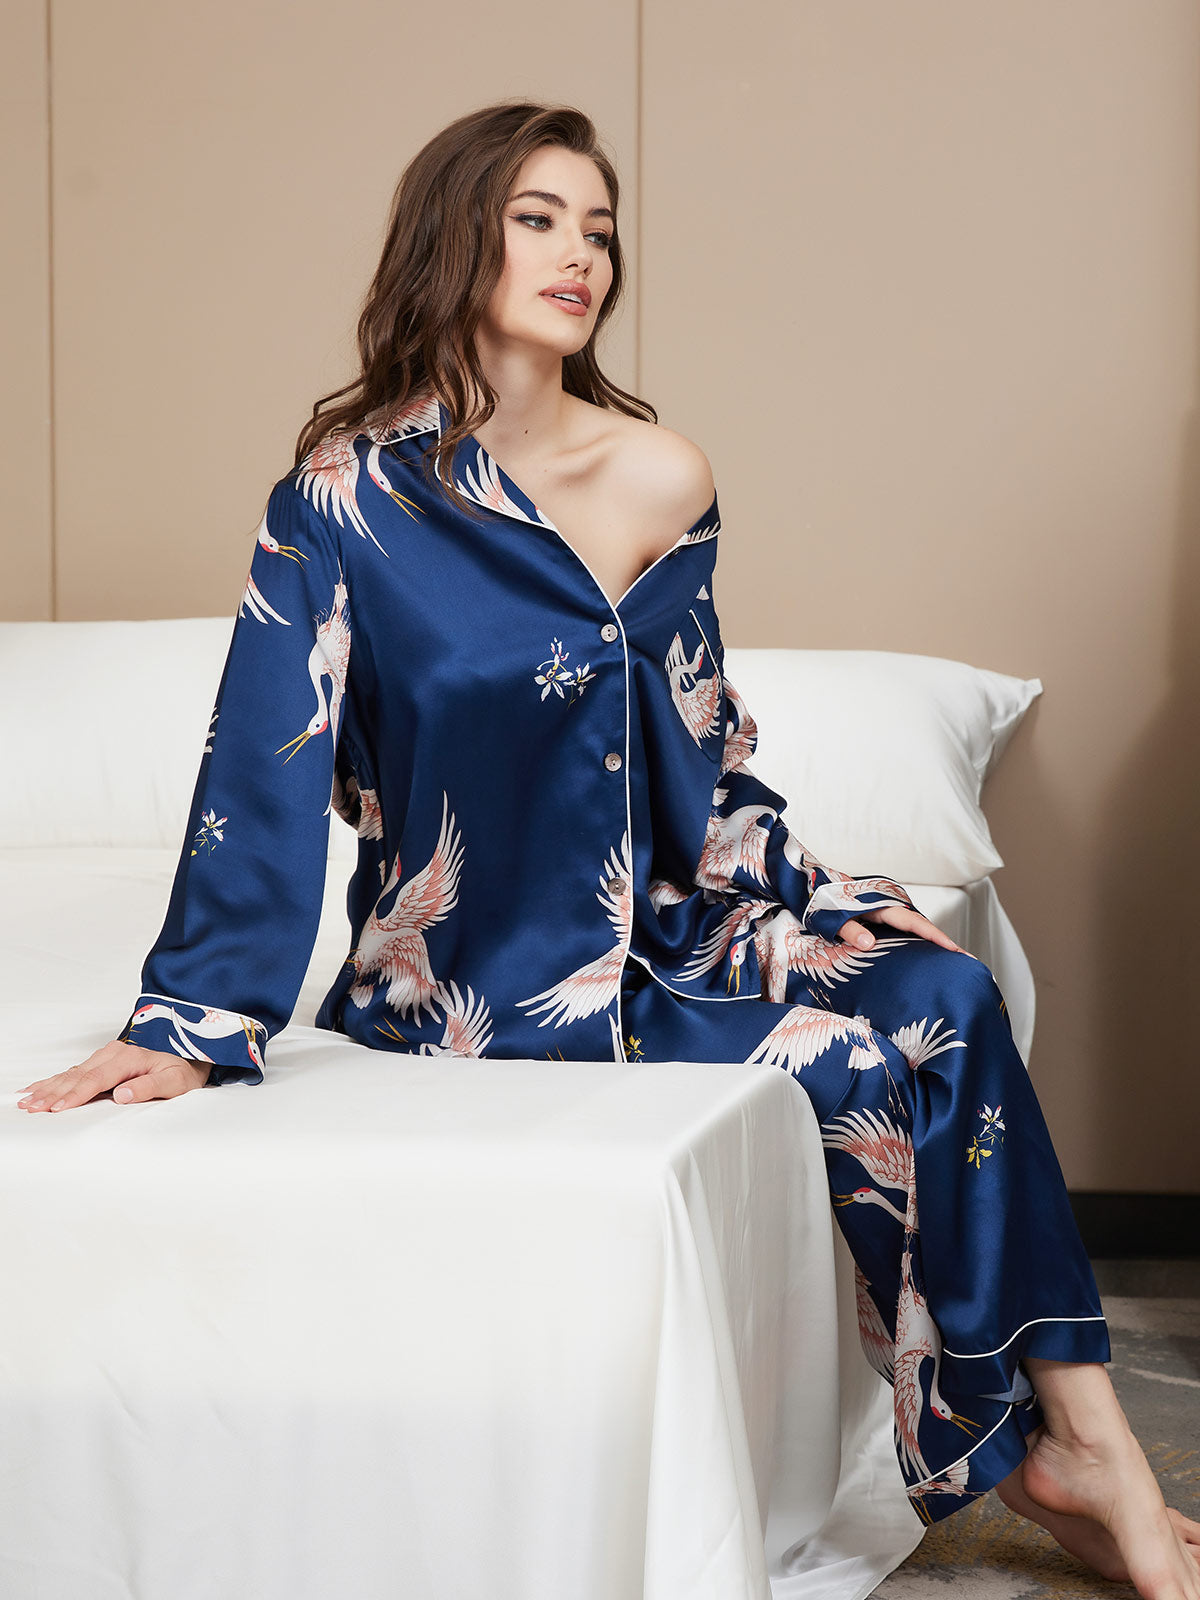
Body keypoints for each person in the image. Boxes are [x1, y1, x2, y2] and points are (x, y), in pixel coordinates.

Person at [16, 100, 1200, 1598]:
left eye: (600, 228)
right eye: (539, 219)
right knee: (852, 1061)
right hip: (476, 975)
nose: (581, 254)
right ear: (456, 233)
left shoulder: (661, 472)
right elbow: (266, 754)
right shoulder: (342, 498)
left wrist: (817, 901)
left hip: (674, 924)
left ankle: (1083, 1445)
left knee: (946, 991)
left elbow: (698, 746)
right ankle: (1036, 1455)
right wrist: (193, 1017)